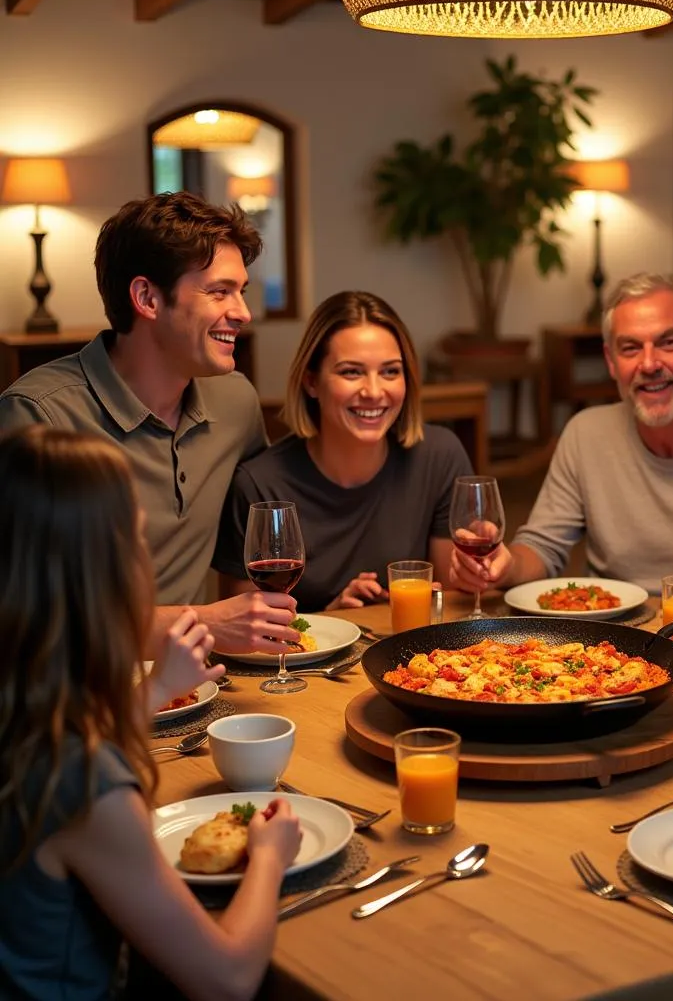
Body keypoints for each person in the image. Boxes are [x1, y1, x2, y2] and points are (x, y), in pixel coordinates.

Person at [0, 426, 302, 1001]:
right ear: (103, 574)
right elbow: (227, 978)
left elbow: (57, 739)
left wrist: (155, 689)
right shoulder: (89, 791)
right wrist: (267, 856)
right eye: (137, 541)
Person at [0, 191, 301, 655]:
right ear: (146, 298)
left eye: (241, 290)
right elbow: (24, 615)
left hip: (201, 690)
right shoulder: (36, 417)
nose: (242, 312)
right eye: (219, 291)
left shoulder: (236, 402)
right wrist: (202, 623)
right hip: (76, 706)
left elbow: (252, 543)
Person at [449, 272, 673, 599]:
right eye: (630, 348)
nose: (648, 365)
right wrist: (504, 564)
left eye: (667, 342)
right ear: (611, 361)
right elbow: (543, 549)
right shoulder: (585, 435)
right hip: (611, 648)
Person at [214, 290, 473, 611]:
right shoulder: (258, 486)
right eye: (351, 372)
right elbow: (241, 634)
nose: (374, 391)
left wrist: (475, 571)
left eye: (391, 371)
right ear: (311, 381)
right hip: (306, 661)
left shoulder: (439, 456)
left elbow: (453, 601)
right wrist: (332, 618)